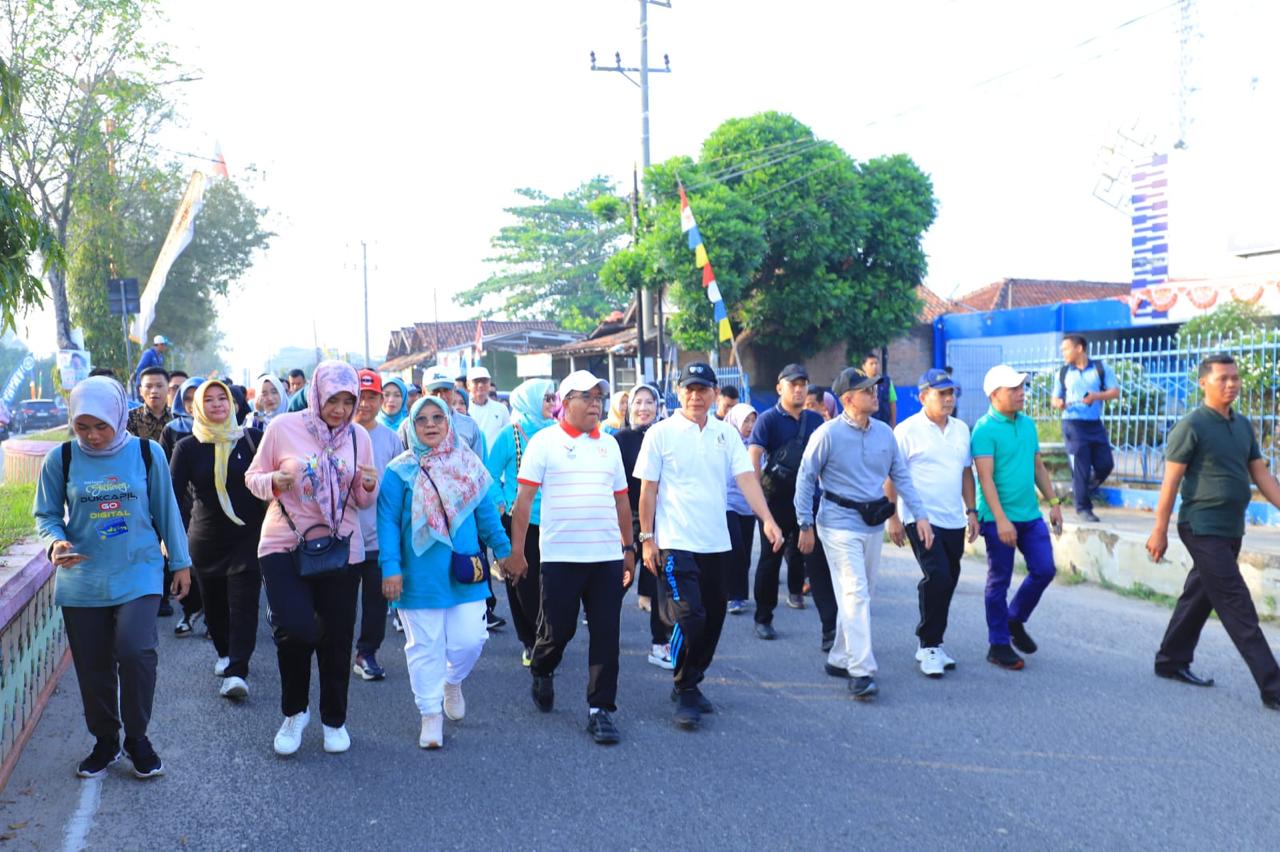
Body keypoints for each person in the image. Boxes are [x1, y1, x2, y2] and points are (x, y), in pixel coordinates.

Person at [34, 376, 192, 779]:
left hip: (138, 571)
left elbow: (167, 511)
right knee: (93, 665)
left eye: (101, 425)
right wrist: (56, 543)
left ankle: (137, 738)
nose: (93, 435)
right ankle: (105, 740)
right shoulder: (62, 459)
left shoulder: (146, 453)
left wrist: (181, 562)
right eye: (83, 426)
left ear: (119, 416)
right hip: (82, 577)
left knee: (136, 651)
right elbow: (47, 515)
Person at [636, 363, 783, 730]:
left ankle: (693, 677)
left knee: (714, 618)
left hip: (717, 542)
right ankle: (684, 689)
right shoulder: (660, 433)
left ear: (715, 393)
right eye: (689, 388)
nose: (696, 396)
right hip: (674, 542)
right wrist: (647, 539)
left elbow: (746, 478)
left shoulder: (726, 435)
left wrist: (766, 518)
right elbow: (648, 490)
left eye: (703, 389)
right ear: (679, 391)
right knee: (691, 614)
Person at [244, 360, 380, 756]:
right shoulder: (283, 427)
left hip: (342, 547)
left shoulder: (357, 436)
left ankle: (334, 720)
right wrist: (273, 482)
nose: (339, 409)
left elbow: (363, 498)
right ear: (317, 393)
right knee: (297, 629)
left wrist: (368, 485)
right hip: (283, 543)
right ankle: (294, 713)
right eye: (332, 399)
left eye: (347, 401)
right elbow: (253, 477)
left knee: (338, 637)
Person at [1147, 354, 1280, 711]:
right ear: (1203, 382)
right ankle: (1273, 686)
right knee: (1237, 604)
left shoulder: (1242, 425)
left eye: (1235, 378)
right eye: (1222, 378)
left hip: (1231, 527)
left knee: (1200, 595)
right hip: (1201, 526)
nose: (1231, 384)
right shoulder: (1192, 425)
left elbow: (1261, 474)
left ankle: (1170, 660)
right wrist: (1159, 530)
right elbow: (1171, 482)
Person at [507, 370, 634, 745]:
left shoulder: (609, 444)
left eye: (599, 398)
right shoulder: (544, 442)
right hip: (561, 557)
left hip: (606, 556)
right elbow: (524, 502)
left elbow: (622, 500)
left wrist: (628, 550)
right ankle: (542, 668)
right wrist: (517, 553)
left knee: (606, 632)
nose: (596, 404)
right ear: (565, 403)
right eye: (587, 397)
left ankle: (601, 709)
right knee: (557, 631)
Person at [378, 396, 512, 748]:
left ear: (450, 421)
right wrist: (390, 568)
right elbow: (388, 523)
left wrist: (505, 551)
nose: (431, 424)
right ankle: (430, 714)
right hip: (417, 575)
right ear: (412, 426)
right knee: (425, 646)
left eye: (439, 417)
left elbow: (486, 515)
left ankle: (452, 681)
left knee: (472, 639)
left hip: (464, 571)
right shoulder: (398, 470)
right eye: (422, 419)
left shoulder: (469, 463)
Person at [796, 367, 931, 700]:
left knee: (861, 595)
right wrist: (805, 523)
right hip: (837, 523)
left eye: (875, 390)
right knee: (855, 593)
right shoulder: (827, 434)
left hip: (872, 523)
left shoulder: (885, 433)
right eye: (867, 390)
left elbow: (901, 475)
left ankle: (840, 656)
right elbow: (805, 478)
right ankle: (861, 671)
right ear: (847, 399)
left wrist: (921, 516)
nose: (875, 394)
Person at [170, 380, 266, 700]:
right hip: (206, 539)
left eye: (222, 399)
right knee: (215, 606)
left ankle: (238, 670)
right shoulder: (187, 447)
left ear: (234, 405)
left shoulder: (253, 440)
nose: (216, 405)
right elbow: (171, 497)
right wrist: (171, 538)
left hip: (249, 537)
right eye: (208, 400)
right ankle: (225, 653)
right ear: (197, 407)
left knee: (244, 605)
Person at [971, 364, 1064, 671]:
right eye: (1014, 389)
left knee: (1045, 569)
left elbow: (1038, 467)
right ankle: (998, 644)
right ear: (995, 394)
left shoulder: (1027, 425)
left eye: (1022, 387)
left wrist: (1053, 502)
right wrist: (1000, 520)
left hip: (1029, 514)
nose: (1021, 393)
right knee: (999, 580)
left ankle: (1013, 619)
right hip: (998, 517)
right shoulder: (984, 429)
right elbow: (985, 479)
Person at [887, 369, 979, 678]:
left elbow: (967, 473)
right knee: (937, 576)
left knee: (949, 578)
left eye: (952, 393)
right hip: (920, 517)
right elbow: (891, 476)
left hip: (953, 517)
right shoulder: (906, 430)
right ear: (923, 396)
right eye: (942, 393)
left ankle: (933, 643)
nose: (949, 398)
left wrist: (972, 511)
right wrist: (894, 517)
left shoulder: (961, 430)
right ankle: (929, 645)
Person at [748, 364, 836, 646]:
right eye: (792, 384)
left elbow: (828, 462)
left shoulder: (815, 421)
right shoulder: (767, 420)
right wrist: (761, 508)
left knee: (817, 563)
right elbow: (753, 464)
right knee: (770, 560)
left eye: (802, 384)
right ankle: (763, 618)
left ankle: (829, 629)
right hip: (776, 502)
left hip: (809, 501)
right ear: (779, 388)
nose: (798, 389)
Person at [418, 368, 506, 631]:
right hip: (427, 513)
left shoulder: (468, 426)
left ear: (454, 392)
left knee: (472, 557)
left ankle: (481, 608)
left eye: (446, 390)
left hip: (466, 511)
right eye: (435, 391)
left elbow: (480, 471)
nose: (441, 395)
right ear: (424, 393)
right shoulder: (410, 426)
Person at [485, 378, 558, 666]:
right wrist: (501, 499)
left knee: (552, 582)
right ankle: (530, 640)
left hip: (555, 519)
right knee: (522, 583)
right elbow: (489, 472)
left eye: (554, 398)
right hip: (521, 519)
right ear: (530, 400)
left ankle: (549, 635)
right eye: (546, 398)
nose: (552, 403)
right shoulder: (510, 434)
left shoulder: (558, 432)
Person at [612, 382, 672, 669]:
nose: (643, 408)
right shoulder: (620, 439)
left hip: (661, 520)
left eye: (649, 402)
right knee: (621, 577)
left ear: (658, 407)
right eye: (638, 402)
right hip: (627, 519)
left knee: (661, 581)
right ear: (629, 407)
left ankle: (660, 643)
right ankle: (603, 622)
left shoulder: (666, 436)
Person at [351, 370, 406, 681]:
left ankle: (366, 653)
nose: (365, 403)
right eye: (359, 397)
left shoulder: (391, 439)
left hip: (378, 537)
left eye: (372, 397)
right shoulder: (337, 435)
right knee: (339, 604)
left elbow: (399, 488)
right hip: (341, 538)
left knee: (375, 603)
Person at [1051, 334, 1120, 523]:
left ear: (1079, 348)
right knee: (1081, 465)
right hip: (1072, 424)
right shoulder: (1063, 373)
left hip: (1094, 423)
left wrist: (1095, 397)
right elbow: (1054, 398)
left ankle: (1081, 489)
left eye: (1066, 349)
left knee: (1106, 464)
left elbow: (1114, 391)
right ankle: (1083, 508)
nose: (1063, 353)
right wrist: (1058, 402)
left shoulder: (1100, 368)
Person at [159, 376, 205, 634]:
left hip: (210, 509)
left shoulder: (224, 430)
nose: (191, 405)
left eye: (197, 398)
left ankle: (212, 615)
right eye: (187, 399)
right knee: (184, 561)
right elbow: (165, 472)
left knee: (209, 566)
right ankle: (190, 610)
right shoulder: (172, 430)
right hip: (181, 509)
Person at [724, 403, 758, 614]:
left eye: (753, 420)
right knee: (735, 549)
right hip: (727, 502)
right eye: (746, 420)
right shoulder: (724, 441)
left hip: (749, 505)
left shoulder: (756, 445)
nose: (750, 425)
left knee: (744, 552)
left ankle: (740, 594)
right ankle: (732, 595)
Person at [468, 366, 511, 447]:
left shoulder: (501, 409)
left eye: (484, 381)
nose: (480, 385)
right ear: (468, 385)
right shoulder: (464, 409)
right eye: (476, 381)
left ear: (489, 383)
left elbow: (508, 437)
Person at [127, 367, 172, 444]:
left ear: (168, 389)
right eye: (148, 386)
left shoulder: (177, 417)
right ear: (140, 391)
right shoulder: (129, 418)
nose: (154, 391)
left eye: (159, 386)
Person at [862, 353, 898, 428]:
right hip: (866, 424)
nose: (874, 366)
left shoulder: (887, 381)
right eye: (871, 364)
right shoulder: (860, 384)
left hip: (884, 423)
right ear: (864, 367)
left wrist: (894, 424)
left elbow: (892, 403)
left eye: (876, 363)